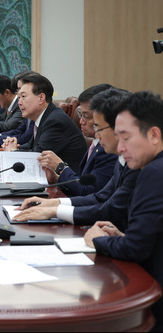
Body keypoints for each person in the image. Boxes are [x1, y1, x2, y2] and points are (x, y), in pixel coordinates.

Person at [84, 91, 163, 331]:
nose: (120, 148)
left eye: (125, 138)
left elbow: (135, 250)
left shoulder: (154, 173)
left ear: (154, 134)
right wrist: (124, 237)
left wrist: (98, 241)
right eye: (117, 138)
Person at [13, 88, 138, 232]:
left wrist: (55, 210)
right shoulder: (122, 158)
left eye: (98, 126)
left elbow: (110, 209)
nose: (96, 134)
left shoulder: (139, 164)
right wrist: (55, 203)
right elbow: (100, 198)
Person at [34, 84, 117, 196]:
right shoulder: (96, 142)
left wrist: (60, 167)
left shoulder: (109, 148)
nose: (81, 121)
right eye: (80, 115)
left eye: (87, 117)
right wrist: (57, 179)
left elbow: (89, 192)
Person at [2, 73, 87, 172]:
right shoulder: (44, 117)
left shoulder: (55, 121)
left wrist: (12, 152)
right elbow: (33, 147)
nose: (19, 103)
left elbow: (36, 159)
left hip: (66, 184)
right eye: (19, 98)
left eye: (23, 96)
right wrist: (13, 146)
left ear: (41, 98)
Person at [0, 70, 38, 146]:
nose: (19, 101)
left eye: (23, 95)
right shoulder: (30, 110)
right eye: (18, 92)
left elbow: (25, 139)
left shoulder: (50, 117)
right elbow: (19, 131)